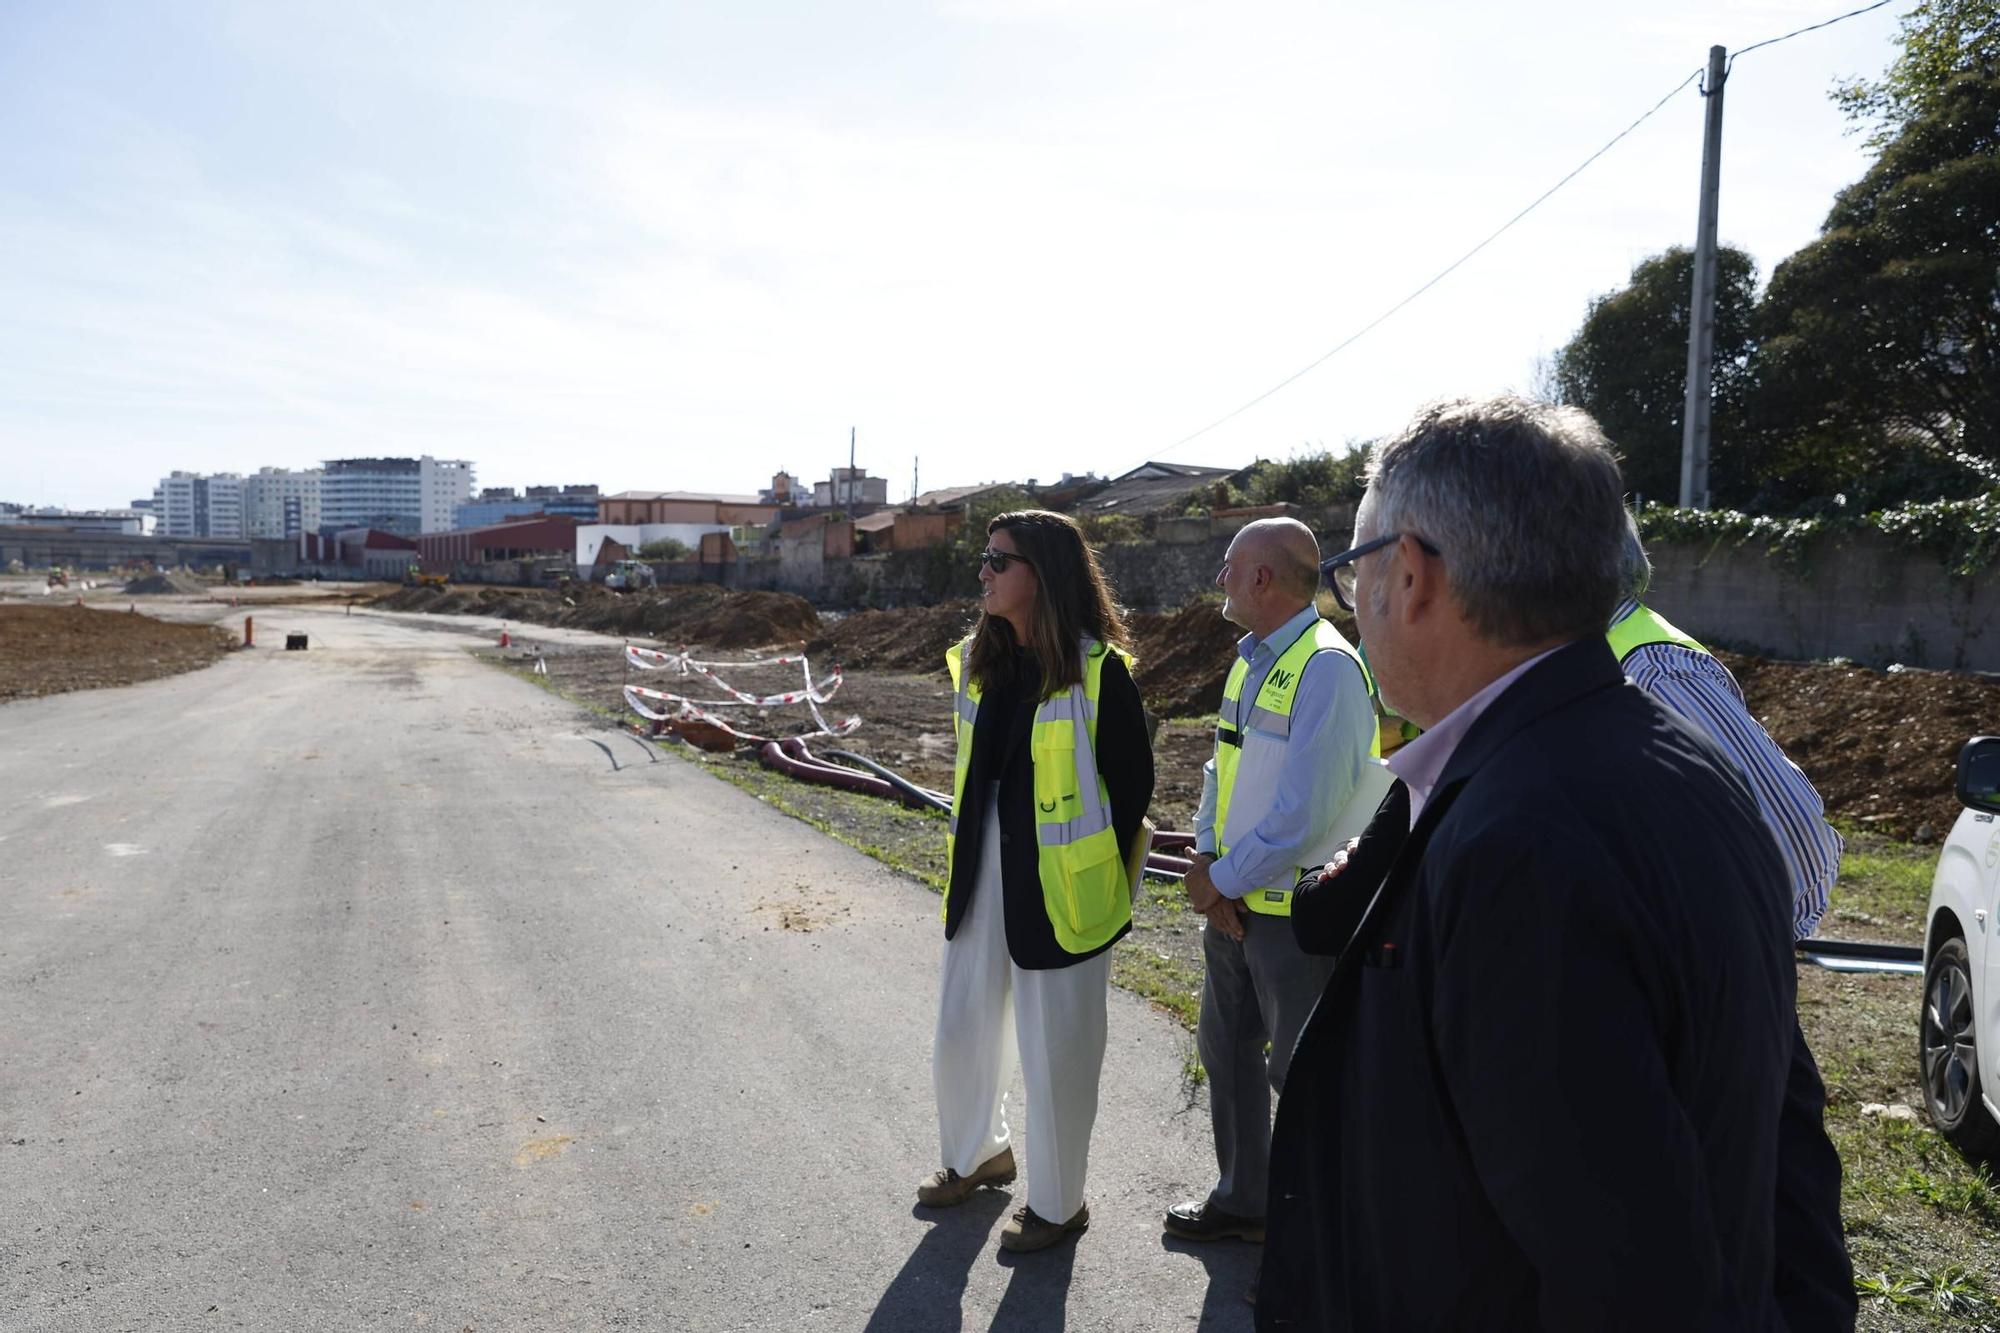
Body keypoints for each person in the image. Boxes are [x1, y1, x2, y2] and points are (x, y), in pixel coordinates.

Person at [1258, 396, 1847, 1329]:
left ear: (1408, 575)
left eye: (1349, 570)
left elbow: (1621, 1277)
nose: (1353, 601)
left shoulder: (1517, 851)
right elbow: (1787, 1155)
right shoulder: (1684, 763)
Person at [1611, 518, 1856, 1330]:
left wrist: (1731, 955)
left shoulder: (1652, 666)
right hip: (1688, 1011)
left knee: (1776, 1258)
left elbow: (1796, 843)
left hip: (1720, 1012)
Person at [918, 509, 1154, 1254]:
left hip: (1064, 888)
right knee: (960, 1026)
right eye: (985, 559)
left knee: (1058, 1053)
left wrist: (1083, 872)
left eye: (998, 561)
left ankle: (1058, 1205)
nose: (982, 573)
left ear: (1041, 575)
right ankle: (976, 1153)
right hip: (983, 869)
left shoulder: (1098, 671)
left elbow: (1131, 787)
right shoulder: (979, 661)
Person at [1164, 519, 1382, 1248]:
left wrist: (1216, 880)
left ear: (1262, 578)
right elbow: (1218, 771)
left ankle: (1315, 1240)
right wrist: (1207, 864)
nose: (1220, 578)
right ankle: (1245, 1202)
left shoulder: (1328, 668)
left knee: (1303, 1079)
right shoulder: (1251, 662)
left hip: (1292, 917)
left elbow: (1304, 814)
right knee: (1226, 1053)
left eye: (1230, 566)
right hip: (1233, 908)